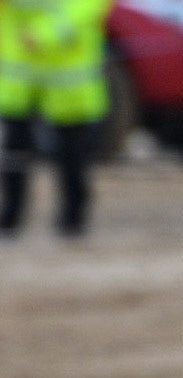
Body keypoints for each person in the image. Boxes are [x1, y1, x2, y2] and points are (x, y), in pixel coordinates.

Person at [0, 0, 111, 238]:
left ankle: (72, 219)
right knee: (14, 152)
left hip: (68, 76)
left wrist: (43, 33)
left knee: (72, 155)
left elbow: (87, 7)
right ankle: (10, 216)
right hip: (20, 72)